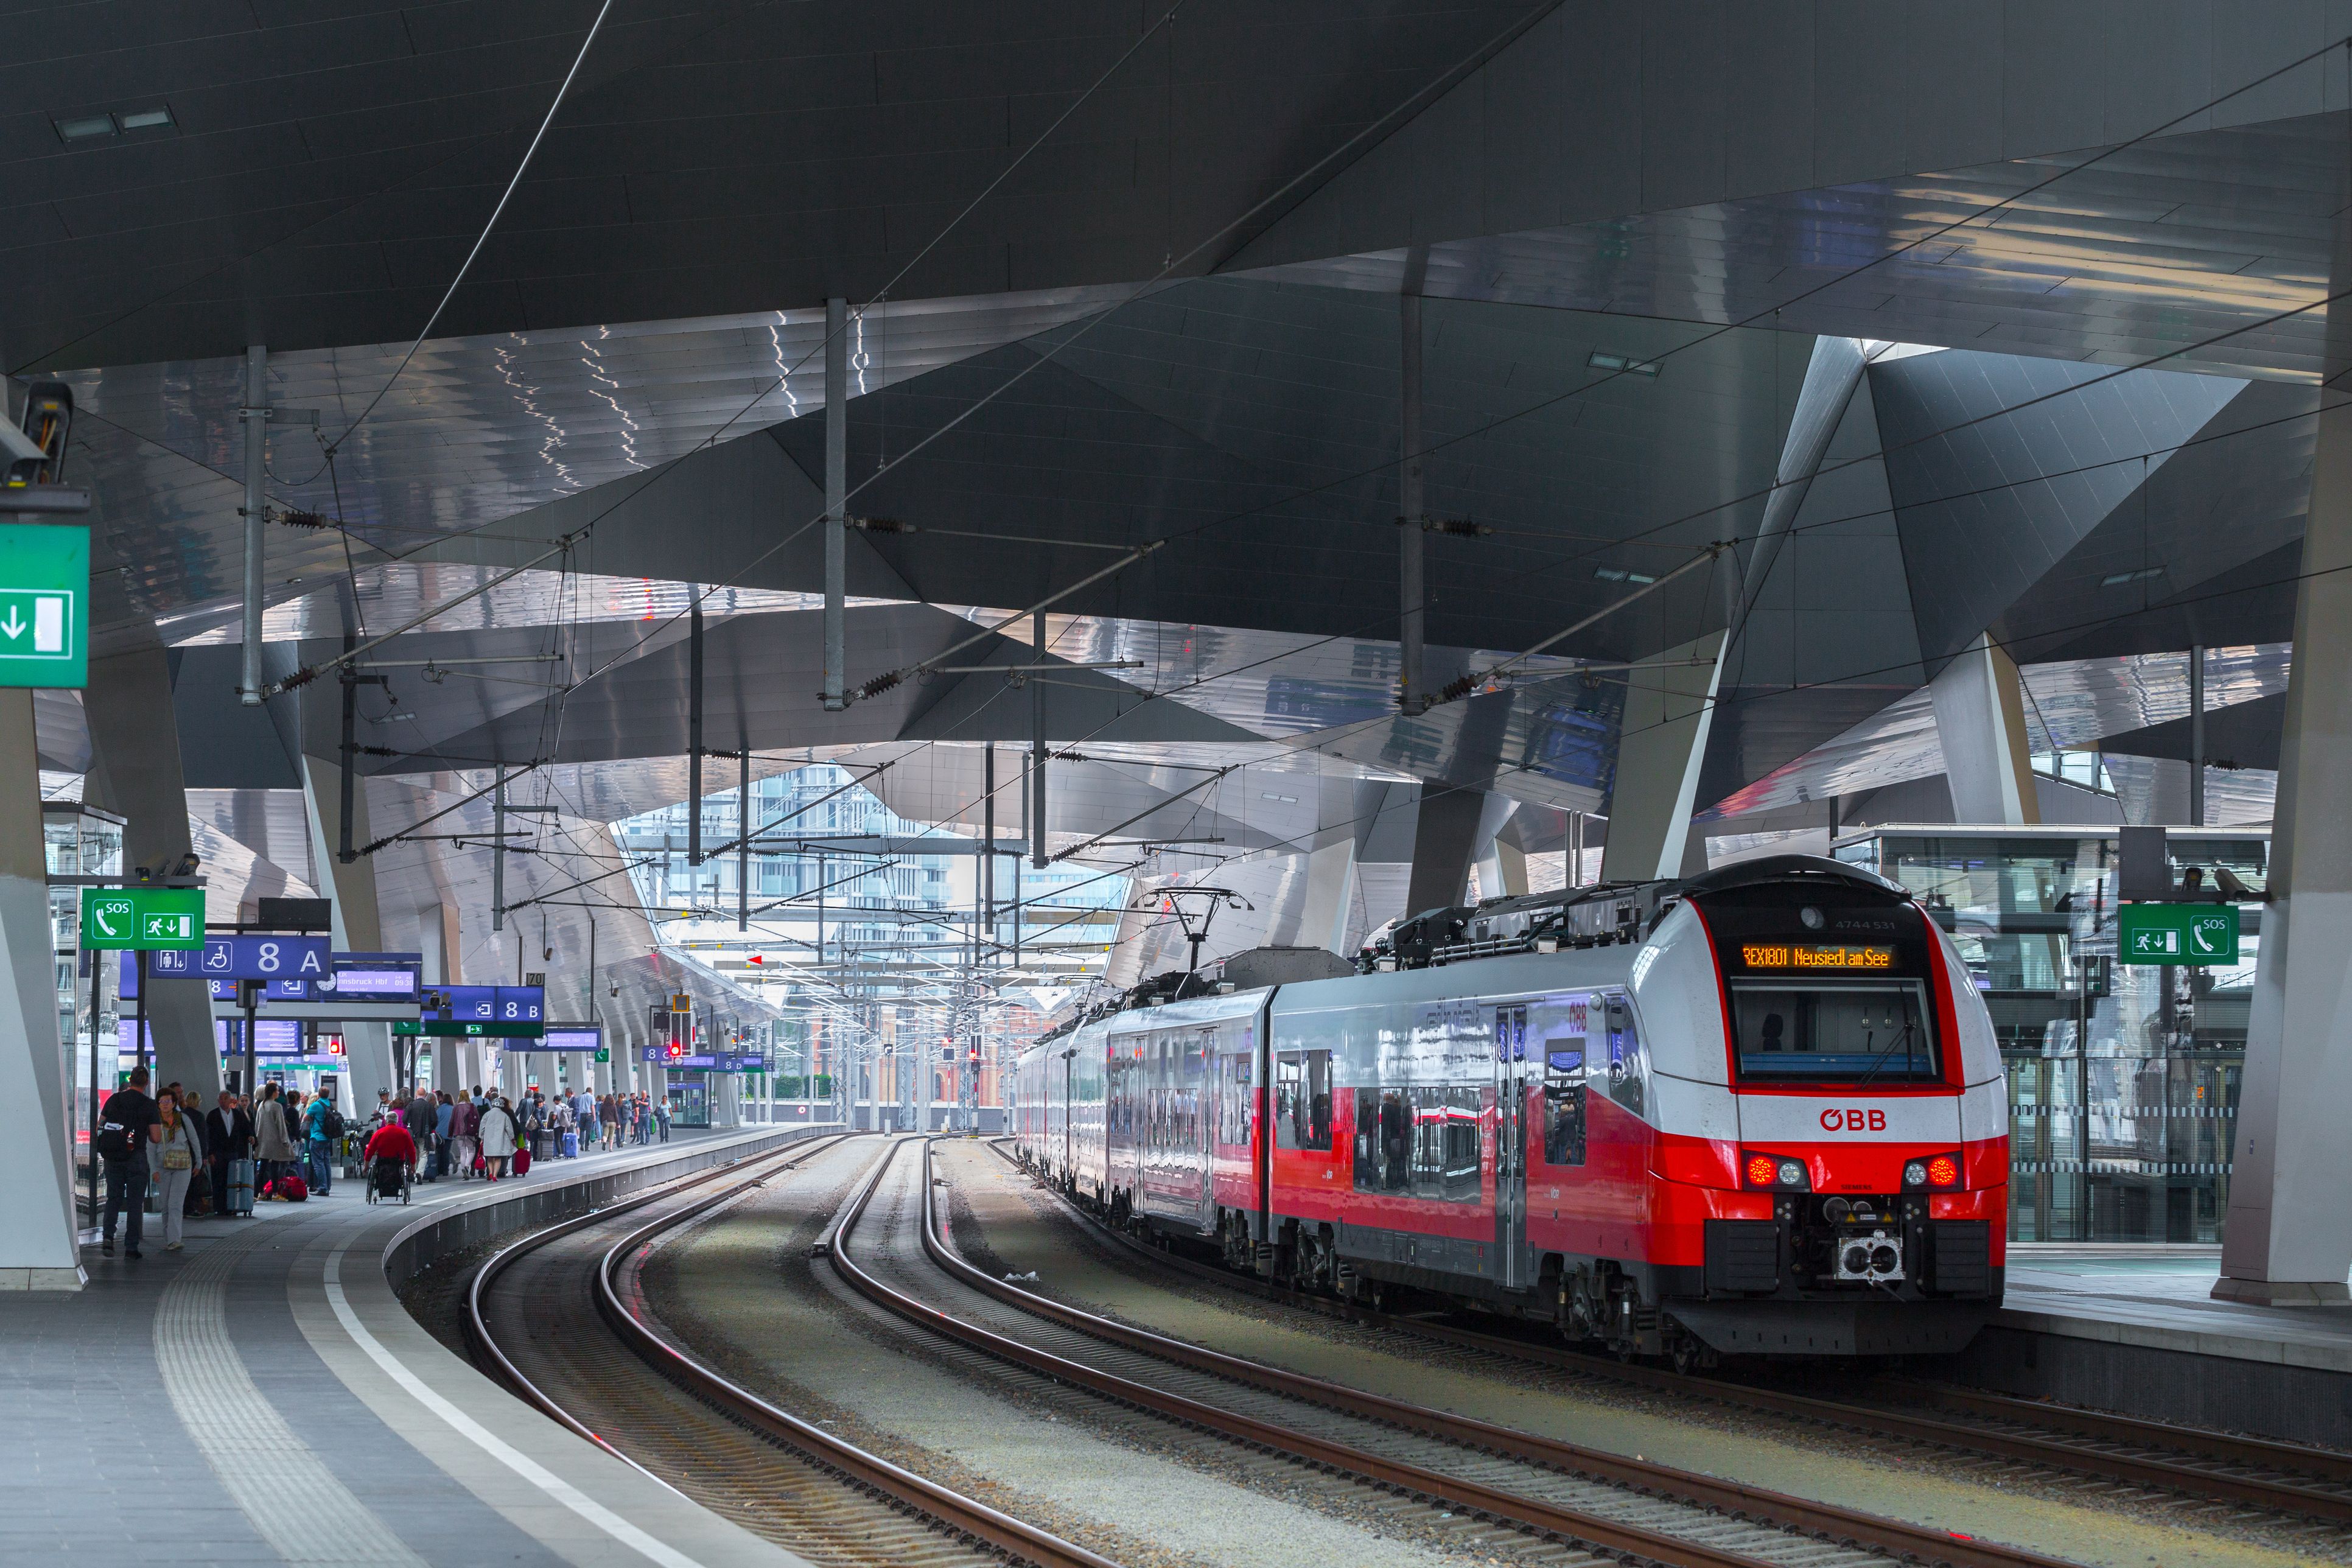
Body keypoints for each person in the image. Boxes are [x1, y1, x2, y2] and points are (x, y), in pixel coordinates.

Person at [97, 1067, 163, 1259]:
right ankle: (131, 1247)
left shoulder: (114, 1099)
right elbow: (157, 1138)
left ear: (130, 1080)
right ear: (146, 1083)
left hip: (113, 1157)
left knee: (114, 1198)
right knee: (135, 1203)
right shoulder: (149, 1105)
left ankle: (108, 1236)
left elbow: (99, 1127)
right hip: (136, 1158)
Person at [150, 1090, 201, 1251]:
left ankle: (174, 1239)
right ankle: (169, 1239)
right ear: (158, 1104)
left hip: (183, 1166)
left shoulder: (184, 1120)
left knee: (175, 1204)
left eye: (168, 1101)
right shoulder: (154, 1123)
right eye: (162, 1101)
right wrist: (153, 1169)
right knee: (165, 1205)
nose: (165, 1104)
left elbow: (194, 1140)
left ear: (174, 1103)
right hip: (162, 1167)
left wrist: (199, 1161)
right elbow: (150, 1148)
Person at [206, 1091, 253, 1217]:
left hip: (233, 1152)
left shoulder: (237, 1115)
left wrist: (250, 1136)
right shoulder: (213, 1115)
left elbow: (245, 1128)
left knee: (232, 1180)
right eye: (221, 1099)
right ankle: (220, 1208)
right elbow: (208, 1136)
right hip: (218, 1153)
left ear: (230, 1100)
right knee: (218, 1180)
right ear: (218, 1101)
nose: (223, 1101)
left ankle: (232, 1206)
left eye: (225, 1098)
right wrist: (210, 1153)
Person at [253, 1083, 299, 1193]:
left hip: (263, 1141)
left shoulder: (261, 1105)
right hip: (275, 1141)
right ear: (273, 1092)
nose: (279, 1093)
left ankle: (260, 1193)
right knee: (275, 1166)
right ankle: (274, 1193)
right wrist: (285, 1141)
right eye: (277, 1091)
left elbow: (257, 1124)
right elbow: (281, 1126)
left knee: (263, 1168)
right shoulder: (276, 1106)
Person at [362, 1114, 418, 1197]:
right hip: (398, 1162)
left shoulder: (379, 1133)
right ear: (397, 1121)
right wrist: (413, 1165)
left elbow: (369, 1150)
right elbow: (411, 1150)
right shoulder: (404, 1133)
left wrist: (366, 1165)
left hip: (382, 1161)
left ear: (385, 1121)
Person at [302, 1087, 340, 1197]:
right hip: (327, 1138)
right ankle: (328, 1186)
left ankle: (323, 1188)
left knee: (318, 1164)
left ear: (319, 1094)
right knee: (326, 1163)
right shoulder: (330, 1104)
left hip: (317, 1137)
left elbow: (305, 1118)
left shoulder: (316, 1105)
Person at [478, 1094, 519, 1180]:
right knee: (498, 1158)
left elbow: (482, 1127)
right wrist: (512, 1138)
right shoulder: (504, 1116)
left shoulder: (487, 1115)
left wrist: (482, 1138)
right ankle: (494, 1175)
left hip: (488, 1138)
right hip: (500, 1139)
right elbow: (509, 1128)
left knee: (489, 1157)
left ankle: (490, 1173)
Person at [450, 1090, 481, 1180]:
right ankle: (466, 1167)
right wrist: (477, 1132)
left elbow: (452, 1121)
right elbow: (477, 1120)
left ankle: (464, 1169)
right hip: (469, 1132)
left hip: (458, 1132)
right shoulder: (472, 1107)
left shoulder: (456, 1107)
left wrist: (450, 1132)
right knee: (472, 1151)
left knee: (463, 1152)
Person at [433, 1091, 455, 1181]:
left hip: (439, 1133)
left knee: (438, 1152)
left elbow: (436, 1119)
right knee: (446, 1152)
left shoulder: (440, 1108)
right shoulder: (454, 1109)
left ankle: (439, 1170)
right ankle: (446, 1170)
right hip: (449, 1133)